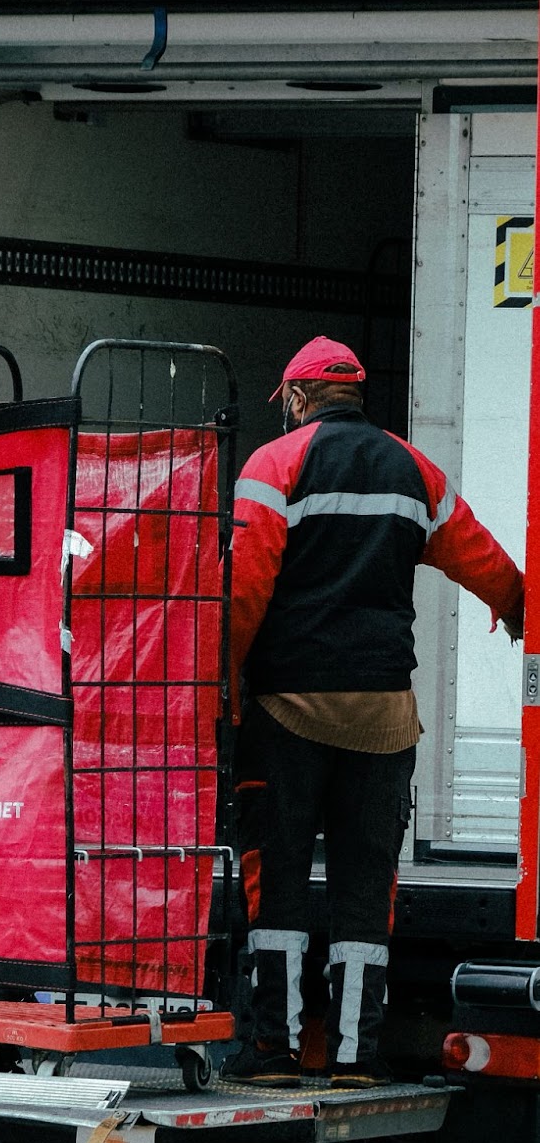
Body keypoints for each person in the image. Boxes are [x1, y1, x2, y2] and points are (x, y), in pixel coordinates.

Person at [221, 336, 525, 1090]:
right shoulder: (412, 469)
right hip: (385, 716)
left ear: (296, 397)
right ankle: (357, 1055)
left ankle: (274, 1051)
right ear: (356, 395)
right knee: (367, 886)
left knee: (280, 879)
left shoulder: (273, 466)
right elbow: (480, 556)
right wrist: (518, 608)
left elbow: (244, 591)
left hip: (289, 709)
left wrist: (225, 685)